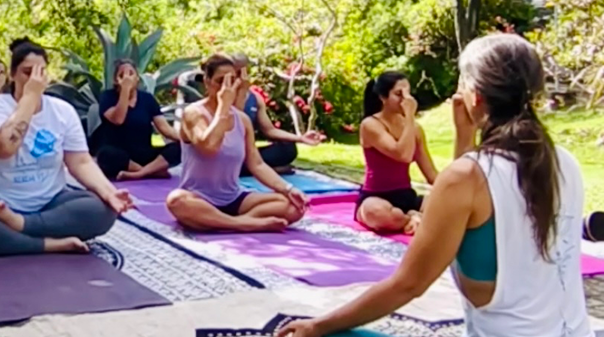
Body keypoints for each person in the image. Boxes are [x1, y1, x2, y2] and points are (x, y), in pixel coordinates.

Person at [278, 33, 594, 337]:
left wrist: (318, 326)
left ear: (475, 96)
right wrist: (464, 136)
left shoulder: (466, 178)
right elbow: (478, 194)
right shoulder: (564, 162)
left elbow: (408, 284)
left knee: (324, 334)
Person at [0, 38, 133, 256]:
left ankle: (20, 225)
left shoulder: (63, 111)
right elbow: (3, 149)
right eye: (27, 72)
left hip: (49, 201)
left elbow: (81, 161)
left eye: (39, 72)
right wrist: (30, 97)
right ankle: (47, 244)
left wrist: (110, 193)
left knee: (102, 211)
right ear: (12, 75)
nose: (34, 79)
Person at [166, 55, 307, 232]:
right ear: (207, 82)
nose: (227, 87)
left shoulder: (242, 120)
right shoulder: (193, 113)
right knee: (176, 201)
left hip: (234, 198)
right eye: (220, 81)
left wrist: (288, 189)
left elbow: (257, 164)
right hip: (198, 198)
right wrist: (223, 107)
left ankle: (229, 221)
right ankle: (242, 224)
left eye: (232, 81)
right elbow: (209, 148)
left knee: (293, 206)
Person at [355, 71, 438, 235]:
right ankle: (411, 219)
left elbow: (431, 174)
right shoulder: (370, 125)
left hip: (407, 196)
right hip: (376, 198)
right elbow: (402, 155)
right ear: (383, 98)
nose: (406, 100)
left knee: (449, 205)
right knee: (378, 213)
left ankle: (412, 217)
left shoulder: (415, 129)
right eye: (399, 94)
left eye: (408, 94)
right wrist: (410, 116)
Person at [232, 54, 324, 175]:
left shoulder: (255, 98)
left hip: (248, 154)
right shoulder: (221, 95)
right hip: (226, 153)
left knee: (288, 148)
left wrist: (301, 138)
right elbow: (234, 124)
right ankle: (259, 169)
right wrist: (241, 92)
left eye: (243, 72)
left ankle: (255, 168)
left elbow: (269, 130)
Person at [95, 59, 182, 180]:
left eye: (131, 74)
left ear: (137, 78)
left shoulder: (147, 99)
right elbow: (118, 119)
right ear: (116, 80)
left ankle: (139, 173)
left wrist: (187, 141)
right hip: (120, 155)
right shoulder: (107, 97)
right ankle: (150, 171)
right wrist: (125, 90)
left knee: (179, 148)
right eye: (122, 75)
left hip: (144, 153)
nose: (127, 78)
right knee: (105, 155)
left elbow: (165, 129)